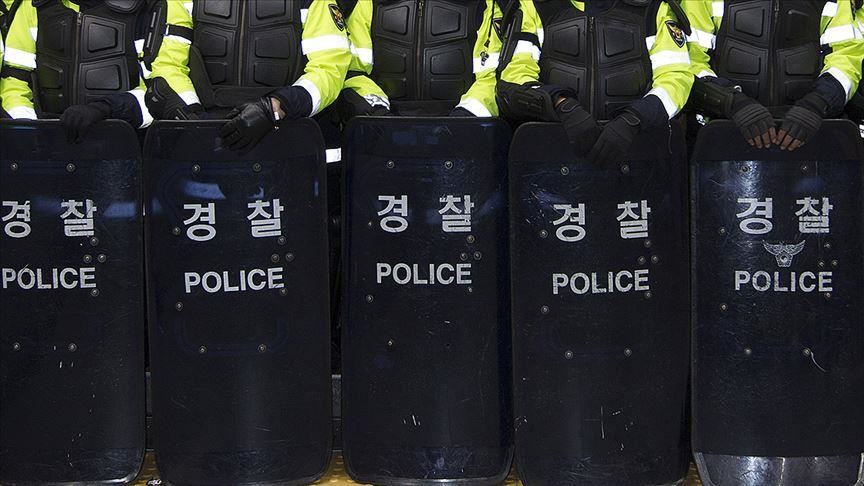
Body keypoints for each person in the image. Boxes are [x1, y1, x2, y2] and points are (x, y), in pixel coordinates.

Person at [496, 0, 695, 164]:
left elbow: (676, 78)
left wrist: (635, 119)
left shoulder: (652, 7)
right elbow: (515, 75)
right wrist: (560, 104)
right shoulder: (536, 5)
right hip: (553, 157)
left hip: (639, 156)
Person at [143, 0, 352, 154]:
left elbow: (329, 68)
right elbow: (167, 65)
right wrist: (192, 120)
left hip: (286, 134)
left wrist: (277, 106)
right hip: (204, 141)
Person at [684, 0, 864, 150]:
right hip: (721, 133)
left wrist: (817, 103)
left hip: (813, 134)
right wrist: (730, 102)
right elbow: (688, 61)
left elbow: (846, 57)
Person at [0, 0, 166, 141]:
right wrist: (29, 132)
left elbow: (156, 93)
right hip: (48, 145)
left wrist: (106, 109)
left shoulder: (143, 8)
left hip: (122, 145)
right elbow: (14, 81)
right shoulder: (32, 6)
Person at [337, 0, 505, 117]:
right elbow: (353, 70)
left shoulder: (484, 4)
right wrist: (376, 112)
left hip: (465, 131)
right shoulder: (366, 3)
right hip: (380, 130)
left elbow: (492, 75)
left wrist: (467, 116)